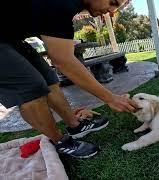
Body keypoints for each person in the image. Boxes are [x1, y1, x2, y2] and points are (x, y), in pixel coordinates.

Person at [0, 0, 137, 158]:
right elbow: (64, 61)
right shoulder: (61, 3)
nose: (112, 11)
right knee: (31, 87)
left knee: (49, 78)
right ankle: (60, 141)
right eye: (112, 2)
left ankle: (75, 125)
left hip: (10, 38)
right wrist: (110, 98)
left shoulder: (68, 6)